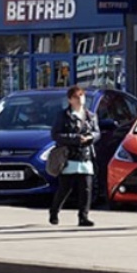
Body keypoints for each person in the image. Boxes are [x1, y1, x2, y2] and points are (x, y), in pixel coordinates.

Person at [48, 86, 99, 228]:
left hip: (85, 156)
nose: (80, 99)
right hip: (68, 157)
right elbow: (56, 135)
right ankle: (54, 212)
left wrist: (90, 137)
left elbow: (97, 133)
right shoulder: (63, 116)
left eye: (82, 96)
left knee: (86, 189)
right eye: (77, 97)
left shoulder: (91, 116)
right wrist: (75, 138)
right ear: (70, 100)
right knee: (65, 188)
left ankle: (83, 217)